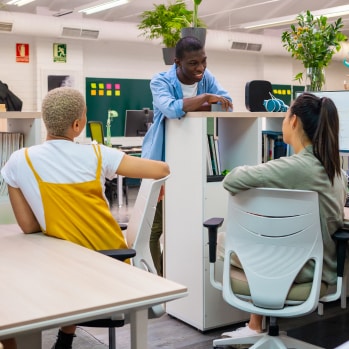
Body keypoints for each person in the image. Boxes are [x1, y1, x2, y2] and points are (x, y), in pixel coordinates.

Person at [1, 86, 170, 349]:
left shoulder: (18, 160)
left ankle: (63, 338)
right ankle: (65, 338)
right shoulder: (97, 153)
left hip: (62, 273)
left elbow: (29, 226)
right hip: (109, 267)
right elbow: (162, 168)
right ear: (78, 124)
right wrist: (160, 185)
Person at [217, 92, 347, 339]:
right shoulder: (335, 170)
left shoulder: (294, 167)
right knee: (268, 238)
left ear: (295, 121)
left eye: (286, 116)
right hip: (318, 267)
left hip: (298, 269)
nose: (284, 121)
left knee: (226, 240)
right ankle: (256, 326)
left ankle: (255, 327)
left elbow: (232, 180)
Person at [142, 35, 233, 276]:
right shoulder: (160, 80)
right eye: (193, 63)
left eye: (204, 62)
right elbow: (171, 109)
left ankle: (176, 276)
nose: (201, 68)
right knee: (155, 228)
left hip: (192, 162)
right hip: (160, 161)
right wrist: (204, 99)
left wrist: (197, 103)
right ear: (177, 61)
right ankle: (158, 277)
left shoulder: (207, 76)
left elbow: (227, 102)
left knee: (183, 223)